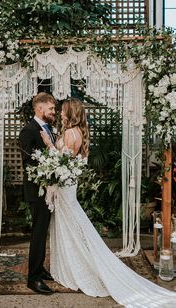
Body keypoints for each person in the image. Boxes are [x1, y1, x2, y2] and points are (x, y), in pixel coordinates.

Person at [41, 97, 176, 307]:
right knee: (71, 226)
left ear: (71, 112)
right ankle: (73, 263)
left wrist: (49, 144)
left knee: (72, 226)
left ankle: (81, 267)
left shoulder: (69, 133)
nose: (59, 113)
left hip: (65, 188)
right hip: (68, 187)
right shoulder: (78, 132)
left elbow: (61, 162)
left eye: (63, 110)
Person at [19, 92, 56, 295]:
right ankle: (33, 279)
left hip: (49, 190)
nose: (53, 112)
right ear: (40, 108)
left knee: (43, 233)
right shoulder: (28, 130)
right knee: (38, 234)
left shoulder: (47, 128)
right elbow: (29, 163)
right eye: (51, 108)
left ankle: (40, 268)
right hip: (38, 190)